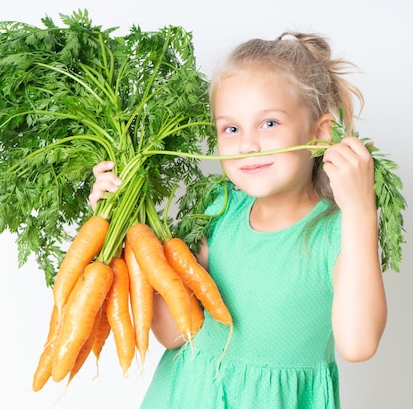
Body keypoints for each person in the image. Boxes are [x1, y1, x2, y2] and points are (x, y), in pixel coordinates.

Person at [88, 32, 387, 408]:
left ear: (319, 134)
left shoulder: (338, 232)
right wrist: (120, 220)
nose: (247, 144)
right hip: (186, 396)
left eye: (269, 124)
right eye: (231, 129)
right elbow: (173, 334)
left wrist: (360, 211)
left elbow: (358, 345)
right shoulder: (218, 207)